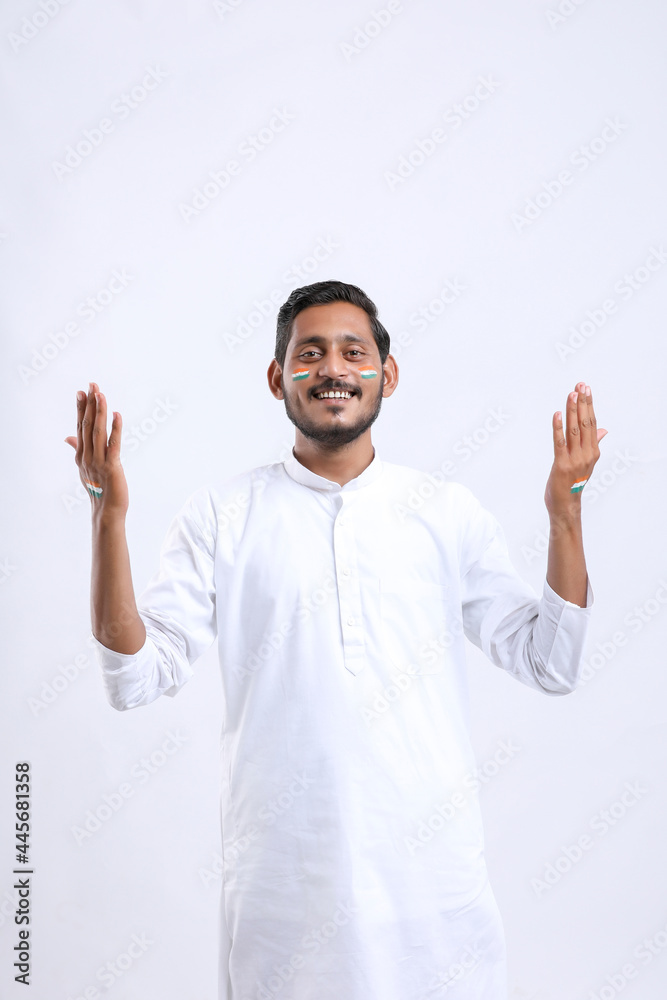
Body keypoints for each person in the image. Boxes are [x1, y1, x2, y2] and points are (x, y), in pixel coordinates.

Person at [65, 279, 606, 999]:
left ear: (387, 374)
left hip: (434, 898)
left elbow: (550, 661)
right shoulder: (223, 516)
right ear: (275, 377)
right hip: (285, 902)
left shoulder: (443, 511)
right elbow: (135, 677)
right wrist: (107, 519)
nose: (332, 369)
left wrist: (564, 513)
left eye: (353, 351)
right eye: (309, 352)